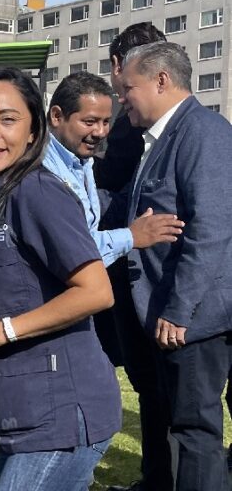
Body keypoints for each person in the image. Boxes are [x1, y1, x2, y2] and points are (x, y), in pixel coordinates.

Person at [0, 67, 121, 489]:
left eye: (7, 118)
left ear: (34, 128)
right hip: (23, 411)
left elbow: (96, 291)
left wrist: (2, 330)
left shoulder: (36, 191)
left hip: (62, 411)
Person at [114, 41, 232, 490]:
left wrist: (180, 308)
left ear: (161, 80)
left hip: (192, 321)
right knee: (170, 422)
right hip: (166, 315)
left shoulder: (204, 133)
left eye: (129, 87)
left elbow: (213, 230)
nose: (122, 97)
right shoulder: (161, 138)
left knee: (195, 432)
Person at [92, 23, 174, 491]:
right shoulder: (175, 121)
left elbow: (118, 196)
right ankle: (158, 477)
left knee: (158, 389)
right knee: (154, 389)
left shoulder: (134, 125)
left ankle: (161, 478)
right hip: (147, 272)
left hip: (141, 273)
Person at [42, 71, 183, 268]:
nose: (100, 132)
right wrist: (131, 237)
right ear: (57, 116)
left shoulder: (81, 161)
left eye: (106, 122)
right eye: (89, 122)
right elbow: (68, 250)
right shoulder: (40, 172)